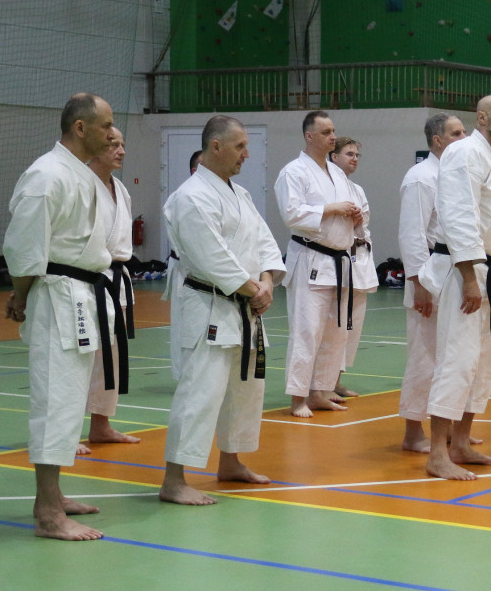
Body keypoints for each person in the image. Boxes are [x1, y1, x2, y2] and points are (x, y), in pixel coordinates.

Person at [3, 92, 117, 540]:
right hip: (56, 296)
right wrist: (19, 295)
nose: (112, 133)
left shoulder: (80, 175)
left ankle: (53, 496)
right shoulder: (46, 176)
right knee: (55, 400)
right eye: (106, 125)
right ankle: (49, 513)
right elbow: (25, 247)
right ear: (80, 128)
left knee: (70, 399)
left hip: (81, 295)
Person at [161, 115, 284, 505]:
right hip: (210, 306)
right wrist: (253, 290)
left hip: (245, 307)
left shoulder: (240, 195)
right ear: (215, 147)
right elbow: (211, 256)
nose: (246, 155)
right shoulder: (190, 196)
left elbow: (266, 244)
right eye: (239, 147)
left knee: (244, 390)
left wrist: (266, 282)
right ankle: (174, 480)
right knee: (200, 393)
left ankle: (230, 462)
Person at [418, 95, 491, 480]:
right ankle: (437, 453)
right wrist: (469, 276)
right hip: (466, 272)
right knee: (457, 362)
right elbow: (459, 217)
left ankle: (462, 443)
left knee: (485, 365)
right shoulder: (464, 153)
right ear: (482, 117)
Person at [275, 111, 361, 416]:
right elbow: (292, 215)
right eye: (325, 132)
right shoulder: (293, 172)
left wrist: (354, 218)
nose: (333, 137)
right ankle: (298, 397)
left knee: (336, 332)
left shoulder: (336, 173)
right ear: (309, 136)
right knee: (307, 331)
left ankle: (319, 391)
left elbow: (344, 214)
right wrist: (331, 208)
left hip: (339, 261)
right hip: (310, 258)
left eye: (333, 131)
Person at [398, 113, 467, 452]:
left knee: (450, 357)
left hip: (453, 271)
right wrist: (419, 284)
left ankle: (449, 429)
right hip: (428, 273)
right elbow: (411, 235)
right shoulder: (421, 177)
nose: (464, 137)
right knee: (424, 357)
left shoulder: (456, 174)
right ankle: (413, 432)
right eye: (456, 133)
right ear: (437, 140)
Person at [76, 127, 140, 456]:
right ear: (95, 146)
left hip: (115, 281)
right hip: (85, 281)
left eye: (123, 144)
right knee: (79, 359)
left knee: (109, 359)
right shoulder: (79, 185)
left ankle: (100, 427)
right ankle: (66, 431)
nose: (121, 150)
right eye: (113, 144)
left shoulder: (121, 189)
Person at [329, 136, 379, 398]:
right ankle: (324, 384)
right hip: (338, 260)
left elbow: (363, 226)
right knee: (335, 326)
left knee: (352, 326)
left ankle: (336, 382)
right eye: (349, 153)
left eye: (357, 154)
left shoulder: (357, 190)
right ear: (333, 156)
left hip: (360, 259)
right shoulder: (329, 188)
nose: (354, 158)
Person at [163, 153, 201, 380]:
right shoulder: (180, 198)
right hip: (186, 270)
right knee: (182, 326)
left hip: (207, 272)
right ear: (196, 170)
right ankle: (183, 376)